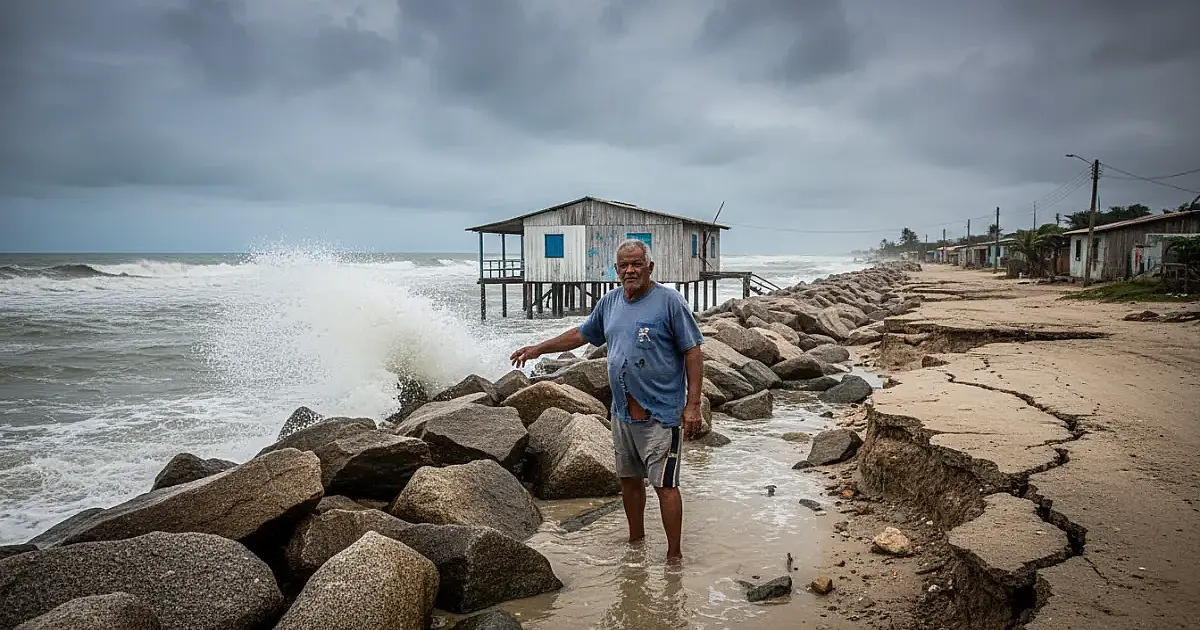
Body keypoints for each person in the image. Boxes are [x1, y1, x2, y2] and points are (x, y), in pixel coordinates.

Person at [510, 238, 704, 561]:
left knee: (665, 485)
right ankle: (636, 543)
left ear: (650, 267)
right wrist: (537, 349)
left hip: (660, 415)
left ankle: (674, 557)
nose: (630, 270)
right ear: (616, 270)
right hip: (622, 414)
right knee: (629, 481)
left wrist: (693, 404)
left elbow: (693, 350)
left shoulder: (670, 302)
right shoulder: (610, 302)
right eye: (624, 265)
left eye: (637, 264)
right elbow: (580, 334)